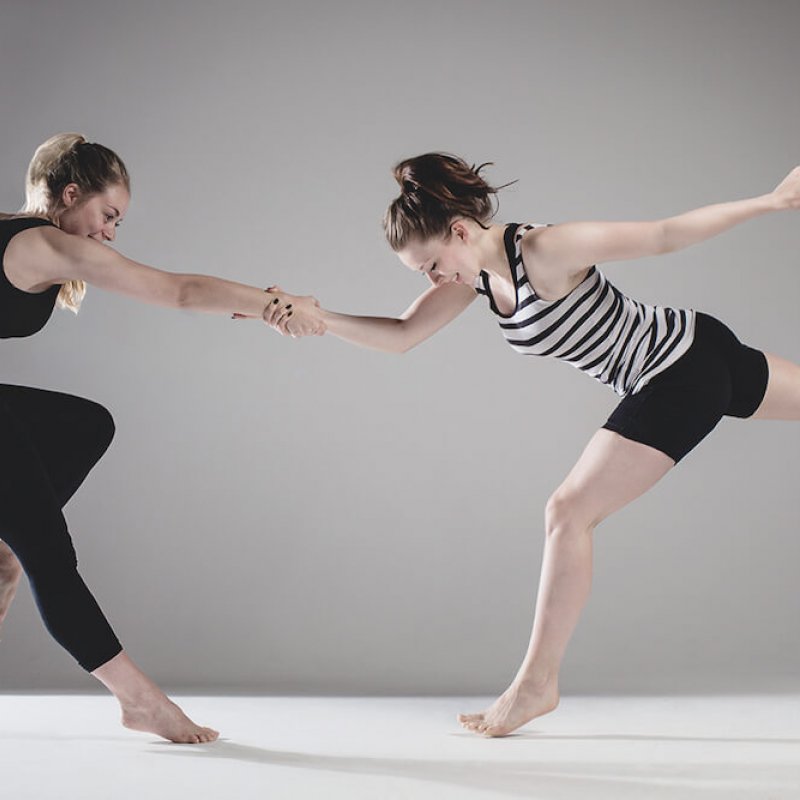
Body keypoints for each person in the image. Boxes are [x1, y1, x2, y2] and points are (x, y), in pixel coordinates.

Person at [262, 152, 800, 737]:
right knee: (569, 513)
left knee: (567, 513)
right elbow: (402, 335)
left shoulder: (544, 250)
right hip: (701, 352)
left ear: (461, 232)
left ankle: (535, 685)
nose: (432, 280)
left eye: (431, 265)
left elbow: (663, 235)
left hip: (679, 369)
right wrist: (321, 318)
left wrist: (769, 202)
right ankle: (535, 686)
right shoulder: (478, 279)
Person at [0, 133, 325, 744]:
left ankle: (7, 546)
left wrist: (253, 302)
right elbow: (177, 290)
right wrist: (271, 303)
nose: (110, 232)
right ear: (70, 195)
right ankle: (136, 698)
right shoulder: (42, 245)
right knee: (51, 555)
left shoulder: (12, 233)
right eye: (108, 215)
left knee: (86, 424)